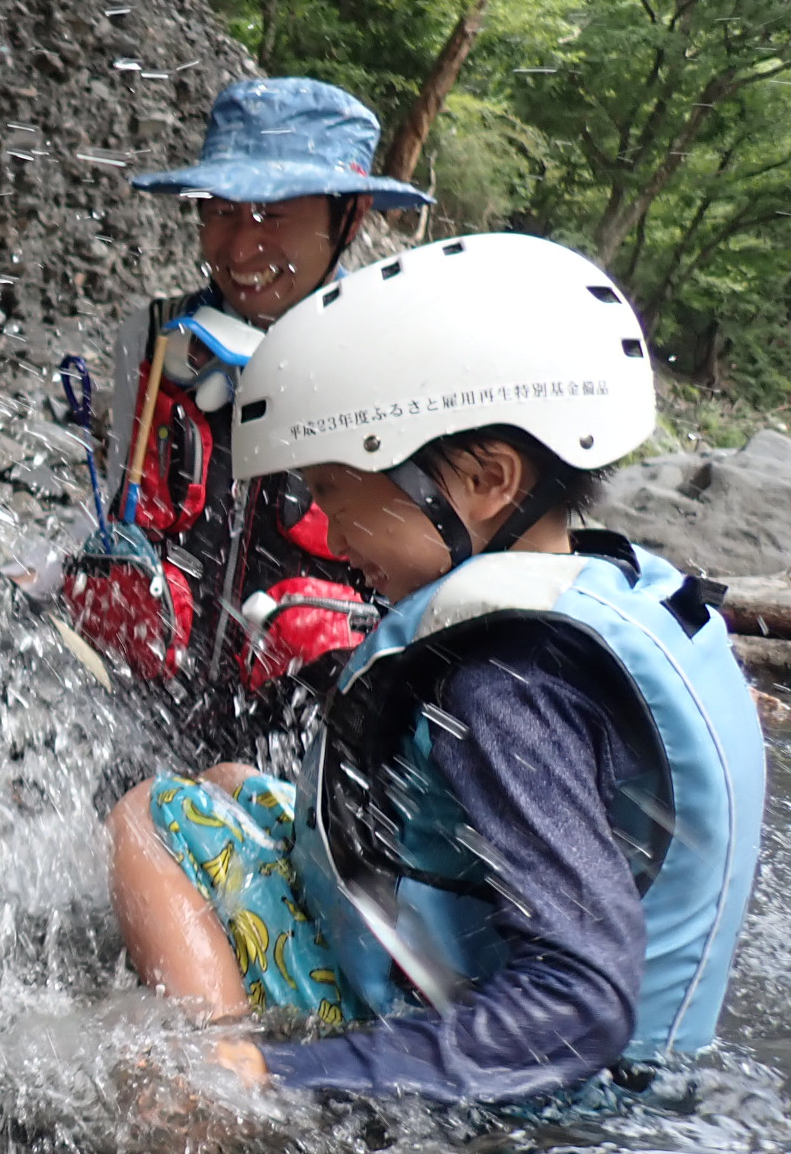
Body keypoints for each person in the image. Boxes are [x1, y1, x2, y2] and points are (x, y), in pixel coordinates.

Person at [108, 233, 764, 1101]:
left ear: (488, 480)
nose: (329, 531)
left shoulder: (508, 692)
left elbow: (579, 1003)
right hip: (573, 1041)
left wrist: (295, 1072)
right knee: (232, 782)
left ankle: (214, 1092)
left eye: (335, 490)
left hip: (542, 1099)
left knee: (150, 818)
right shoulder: (604, 590)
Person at [62, 78, 435, 775]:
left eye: (274, 213)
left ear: (351, 216)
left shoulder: (400, 376)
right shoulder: (152, 340)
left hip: (298, 766)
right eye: (221, 210)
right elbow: (115, 516)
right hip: (139, 725)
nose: (239, 246)